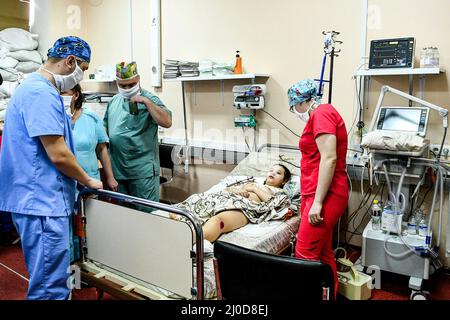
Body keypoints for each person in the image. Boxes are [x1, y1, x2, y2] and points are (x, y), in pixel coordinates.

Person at [0, 36, 103, 300]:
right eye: (83, 69)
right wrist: (88, 180)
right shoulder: (39, 92)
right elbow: (58, 154)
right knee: (50, 288)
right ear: (70, 61)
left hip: (40, 201)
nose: (80, 77)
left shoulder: (36, 89)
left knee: (50, 279)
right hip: (42, 203)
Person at [287, 78, 349, 297]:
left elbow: (329, 158)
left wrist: (318, 202)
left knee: (304, 254)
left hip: (325, 195)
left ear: (302, 101)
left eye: (293, 106)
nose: (294, 111)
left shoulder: (321, 114)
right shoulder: (319, 115)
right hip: (314, 193)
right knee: (323, 254)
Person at [173, 164, 292, 252]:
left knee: (217, 221)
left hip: (245, 208)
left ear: (284, 180)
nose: (272, 173)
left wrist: (254, 189)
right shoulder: (253, 183)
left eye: (278, 173)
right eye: (271, 170)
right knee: (195, 199)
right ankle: (179, 225)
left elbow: (273, 203)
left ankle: (182, 243)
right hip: (226, 199)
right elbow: (227, 189)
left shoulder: (280, 192)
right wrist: (238, 190)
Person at [61, 84, 118, 262]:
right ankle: (71, 269)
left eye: (64, 92)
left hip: (90, 181)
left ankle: (88, 266)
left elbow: (102, 149)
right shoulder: (56, 119)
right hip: (64, 182)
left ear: (76, 95)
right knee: (66, 228)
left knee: (88, 225)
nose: (61, 96)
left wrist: (110, 177)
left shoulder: (92, 118)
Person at [104, 61, 172, 206]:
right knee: (124, 217)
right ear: (117, 83)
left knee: (146, 216)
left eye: (131, 84)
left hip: (142, 172)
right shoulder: (114, 102)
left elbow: (167, 122)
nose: (127, 88)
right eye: (123, 85)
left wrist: (147, 103)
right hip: (119, 170)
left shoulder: (150, 99)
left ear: (138, 79)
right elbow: (105, 131)